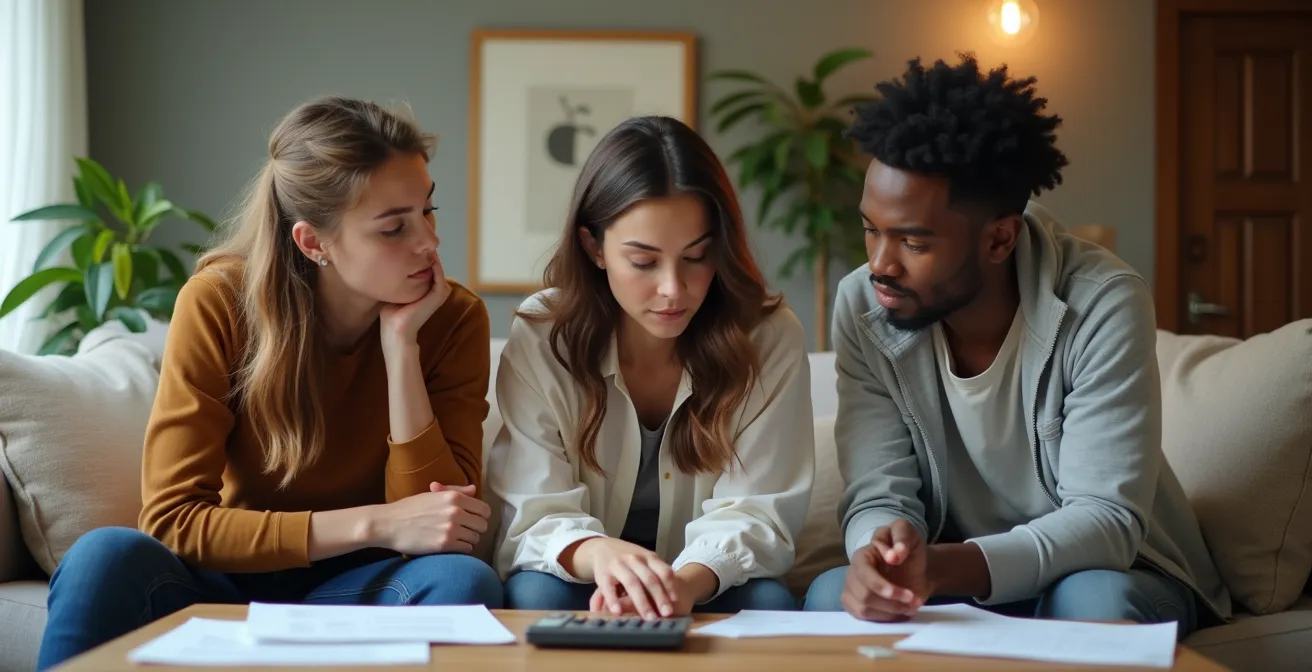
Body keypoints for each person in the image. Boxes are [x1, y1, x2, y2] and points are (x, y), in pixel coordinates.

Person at [37, 96, 503, 669]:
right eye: (393, 228)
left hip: (359, 589)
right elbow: (173, 520)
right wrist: (376, 523)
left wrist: (401, 349)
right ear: (313, 243)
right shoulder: (219, 304)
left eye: (428, 211)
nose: (428, 243)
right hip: (225, 585)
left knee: (462, 580)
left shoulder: (453, 318)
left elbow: (442, 526)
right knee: (103, 554)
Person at [802, 55, 1231, 638]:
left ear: (999, 238)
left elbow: (1106, 520)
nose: (880, 264)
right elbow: (878, 488)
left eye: (913, 241)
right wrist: (881, 548)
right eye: (871, 229)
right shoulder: (864, 304)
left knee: (1091, 599)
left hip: (1116, 570)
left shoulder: (1102, 301)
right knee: (832, 595)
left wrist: (949, 567)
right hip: (952, 574)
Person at [488, 116, 814, 620]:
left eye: (696, 257)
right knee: (538, 595)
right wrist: (600, 553)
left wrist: (681, 584)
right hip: (586, 572)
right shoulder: (542, 335)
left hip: (705, 576)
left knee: (768, 601)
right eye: (643, 261)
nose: (673, 288)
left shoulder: (768, 337)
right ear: (594, 247)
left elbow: (759, 511)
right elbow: (534, 511)